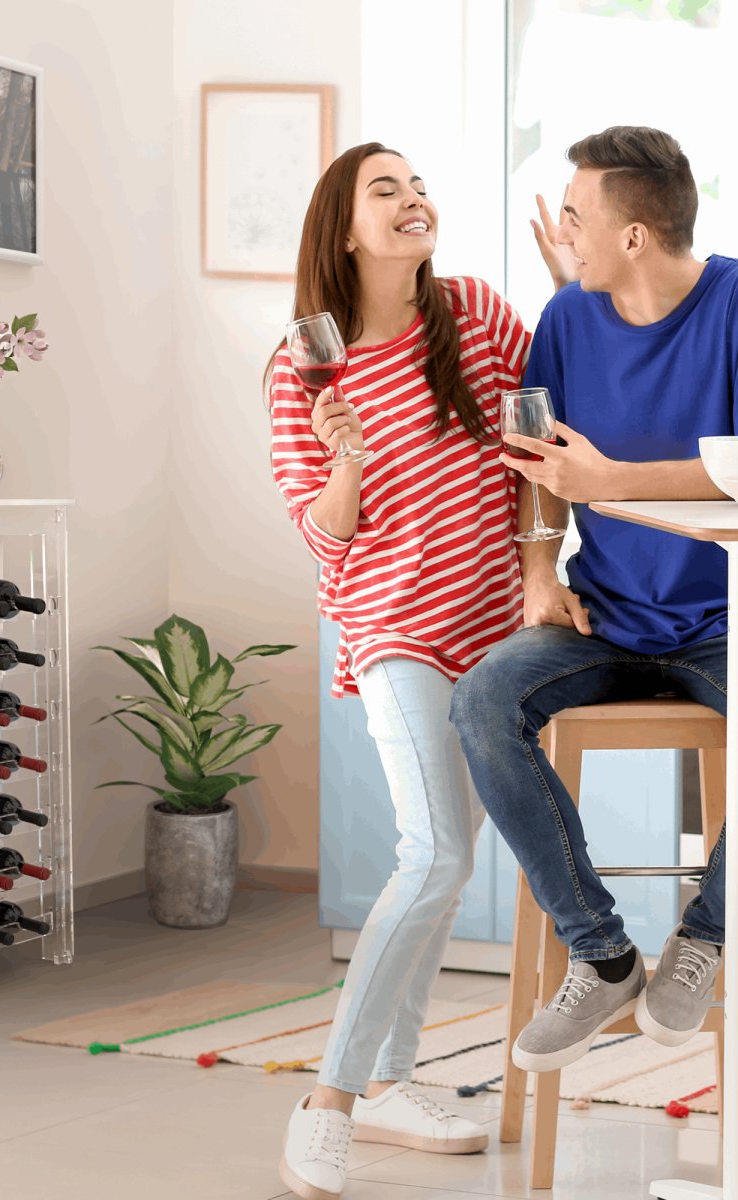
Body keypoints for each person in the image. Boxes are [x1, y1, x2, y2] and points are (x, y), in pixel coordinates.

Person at [268, 142, 530, 1200]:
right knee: (433, 854)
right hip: (392, 628)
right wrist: (345, 460)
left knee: (451, 860)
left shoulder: (475, 312)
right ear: (344, 228)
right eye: (388, 190)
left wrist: (539, 573)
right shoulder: (305, 365)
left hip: (498, 623)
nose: (414, 200)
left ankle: (388, 1081)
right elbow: (327, 540)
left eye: (418, 186)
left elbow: (533, 440)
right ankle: (327, 1102)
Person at [450, 125, 738, 1076]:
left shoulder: (736, 305)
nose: (561, 231)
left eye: (577, 214)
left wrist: (612, 480)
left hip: (723, 621)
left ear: (635, 236)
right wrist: (539, 571)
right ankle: (603, 953)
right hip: (604, 615)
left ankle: (704, 936)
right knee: (484, 699)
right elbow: (539, 459)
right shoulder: (569, 318)